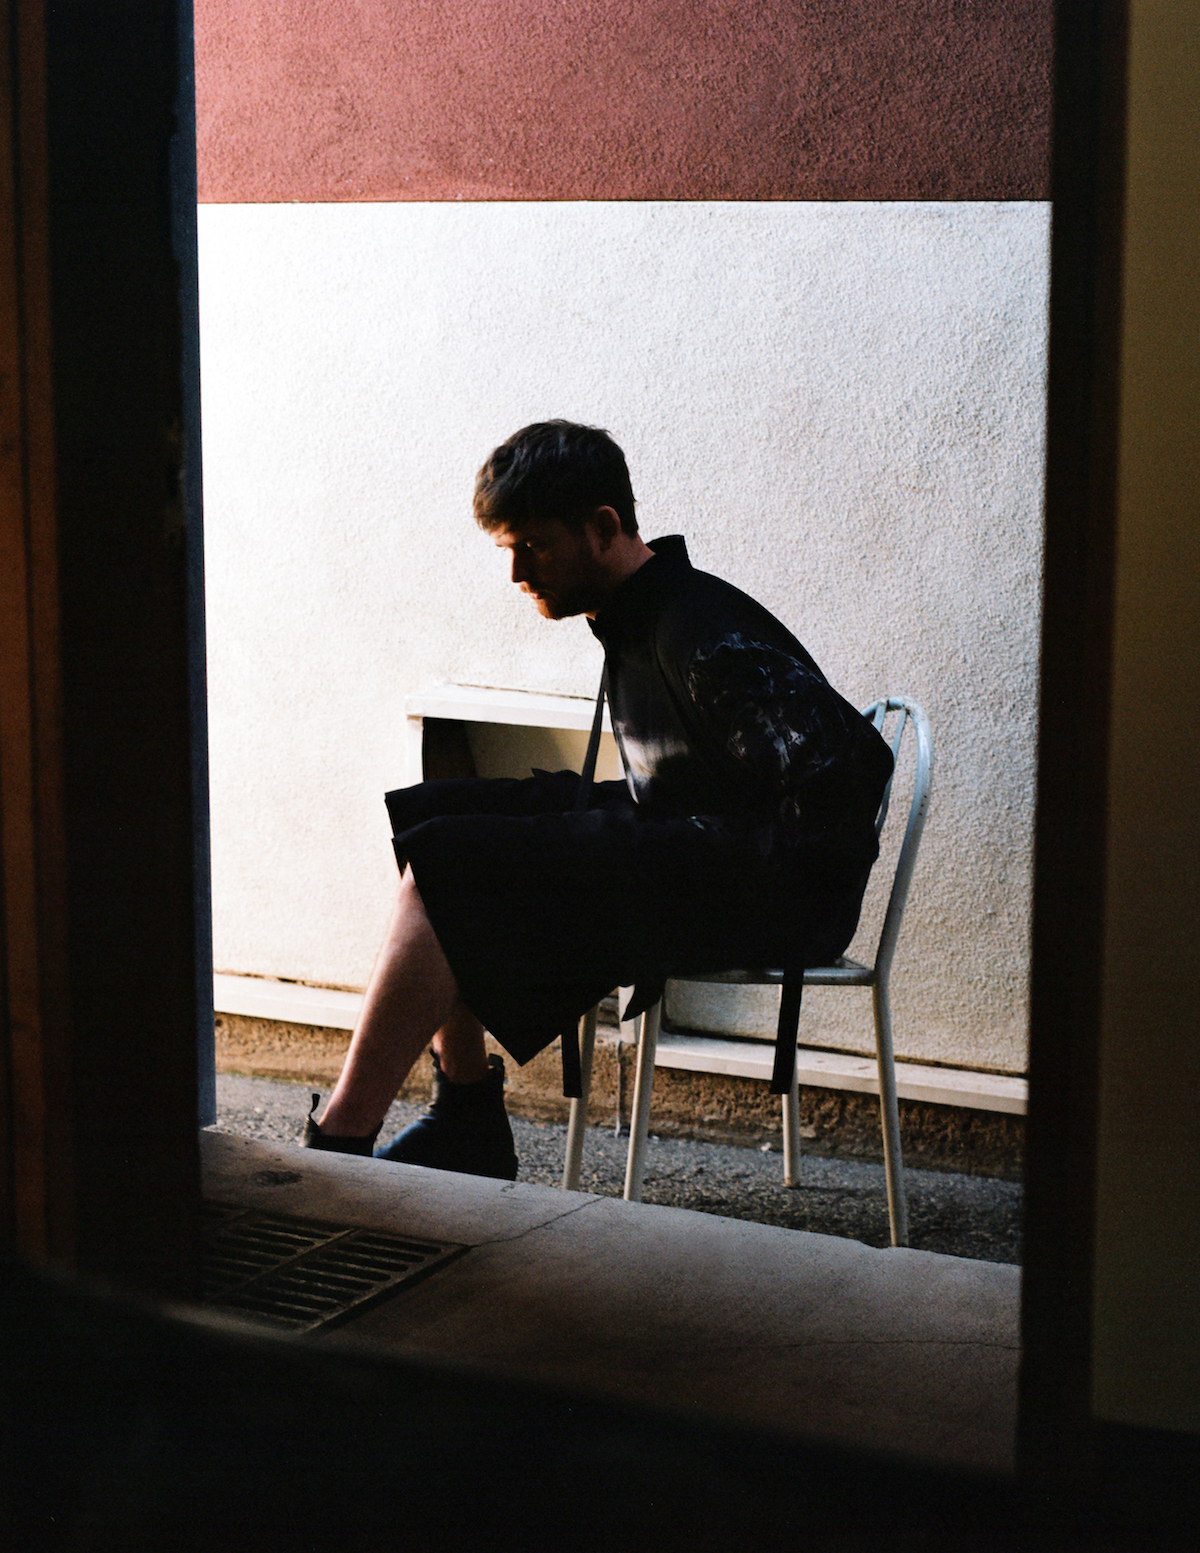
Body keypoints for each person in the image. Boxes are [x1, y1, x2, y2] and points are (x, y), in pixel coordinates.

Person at [303, 420, 893, 1179]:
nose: (517, 571)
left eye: (534, 546)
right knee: (434, 815)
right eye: (507, 548)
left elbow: (852, 765)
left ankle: (343, 1142)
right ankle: (466, 1113)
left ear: (604, 527)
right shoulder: (641, 614)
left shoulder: (699, 627)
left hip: (764, 896)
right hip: (694, 844)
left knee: (449, 862)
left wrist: (716, 857)